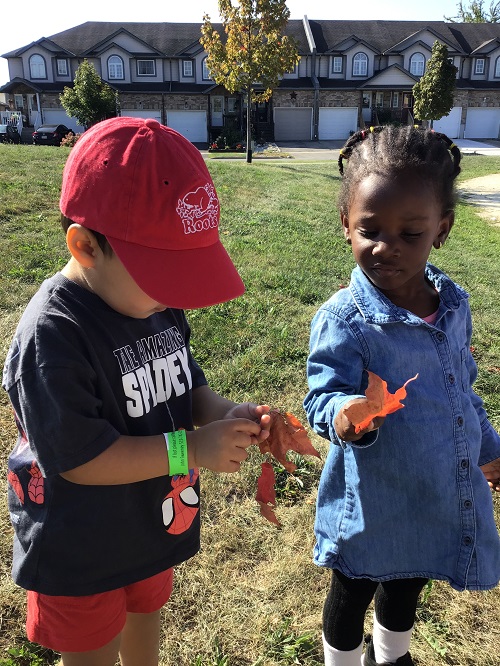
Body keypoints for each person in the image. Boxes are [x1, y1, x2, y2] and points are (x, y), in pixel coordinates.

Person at [3, 117, 271, 666]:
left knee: (145, 628)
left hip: (146, 525)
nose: (175, 295)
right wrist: (191, 450)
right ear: (85, 246)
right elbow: (81, 459)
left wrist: (225, 413)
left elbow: (184, 381)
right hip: (80, 545)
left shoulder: (152, 301)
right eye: (161, 273)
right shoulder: (52, 335)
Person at [303, 125, 500, 666]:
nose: (386, 248)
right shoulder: (346, 319)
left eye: (409, 234)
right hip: (371, 496)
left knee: (408, 584)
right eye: (370, 230)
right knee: (352, 593)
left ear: (442, 228)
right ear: (347, 225)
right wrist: (349, 414)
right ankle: (341, 661)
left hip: (431, 488)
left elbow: (463, 392)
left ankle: (391, 657)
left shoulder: (454, 306)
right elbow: (323, 394)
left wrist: (489, 448)